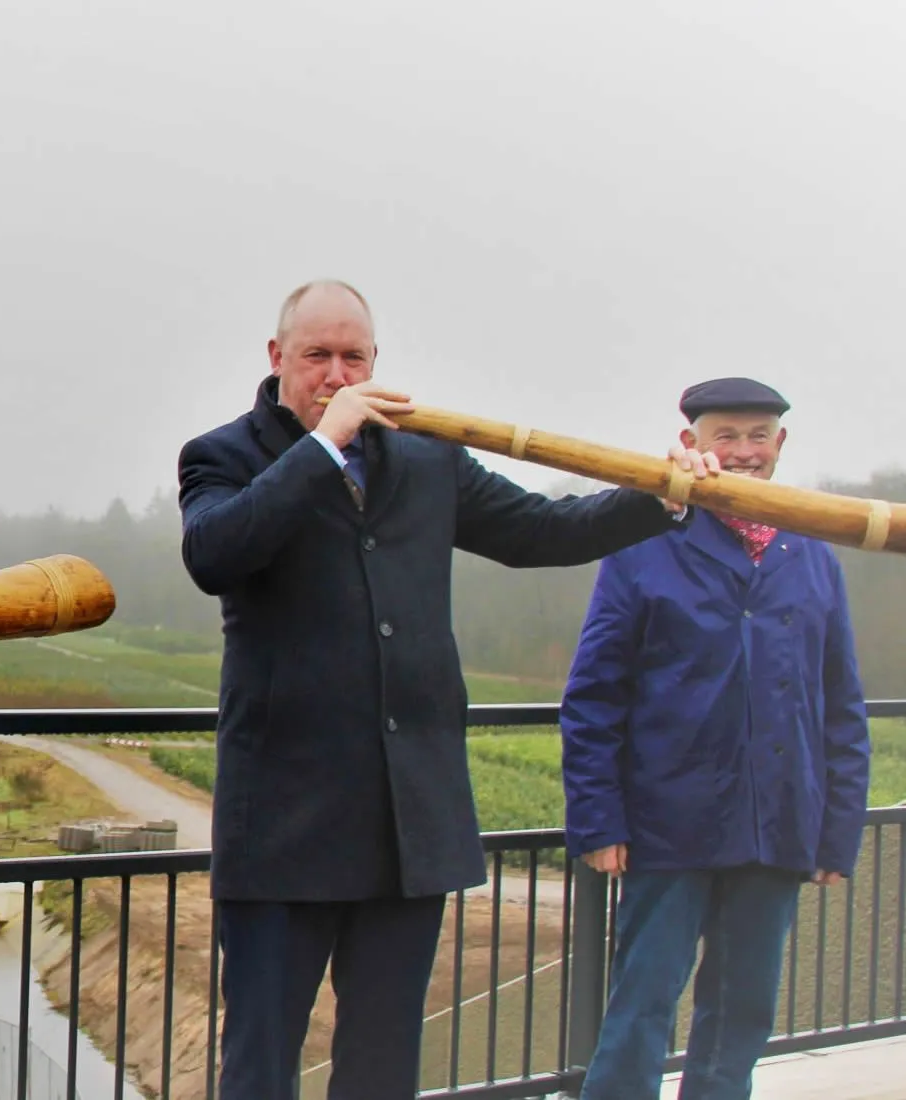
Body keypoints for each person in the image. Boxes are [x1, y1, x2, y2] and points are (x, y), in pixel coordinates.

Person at [176, 279, 713, 1099]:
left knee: (384, 1066)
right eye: (317, 355)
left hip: (409, 825)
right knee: (259, 1064)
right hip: (284, 826)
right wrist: (324, 446)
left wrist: (660, 497)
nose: (336, 373)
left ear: (377, 361)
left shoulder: (428, 457)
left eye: (353, 357)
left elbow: (541, 530)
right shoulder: (222, 455)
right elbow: (215, 552)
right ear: (277, 357)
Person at [561, 377, 871, 1099]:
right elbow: (593, 697)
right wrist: (599, 818)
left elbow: (841, 707)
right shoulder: (643, 545)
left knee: (742, 1018)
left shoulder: (814, 553)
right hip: (669, 826)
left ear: (780, 445)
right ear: (693, 444)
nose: (742, 453)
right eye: (724, 436)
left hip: (776, 828)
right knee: (641, 1010)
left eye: (757, 436)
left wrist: (835, 832)